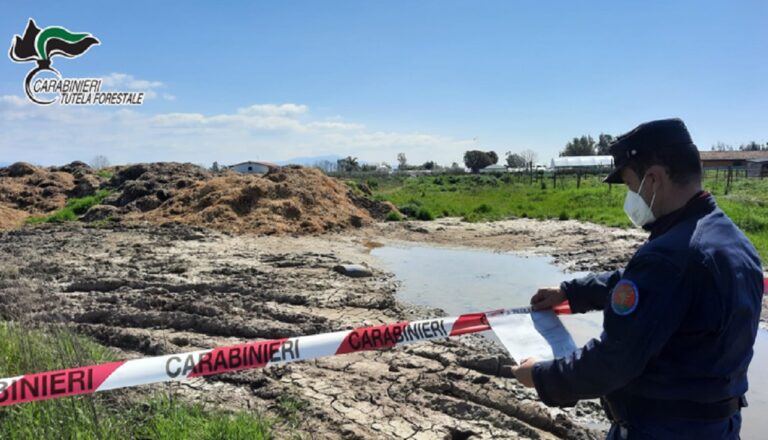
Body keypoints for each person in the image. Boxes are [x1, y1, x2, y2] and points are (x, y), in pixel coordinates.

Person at [510, 118, 764, 439]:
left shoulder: (669, 257)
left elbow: (613, 361)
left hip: (662, 428)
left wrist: (541, 375)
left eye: (631, 186)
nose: (631, 197)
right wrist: (570, 292)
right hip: (717, 424)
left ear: (654, 179)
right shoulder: (729, 238)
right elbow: (644, 288)